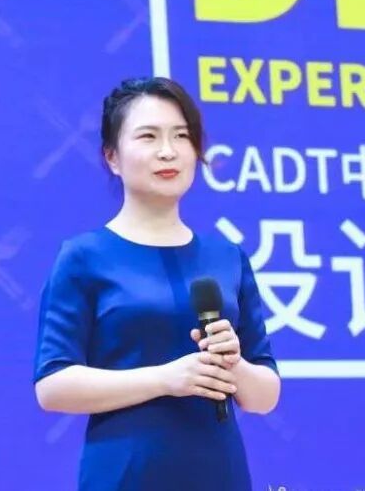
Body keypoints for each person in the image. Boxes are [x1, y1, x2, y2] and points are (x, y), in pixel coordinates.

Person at [33, 77, 280, 490]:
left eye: (181, 136)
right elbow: (53, 386)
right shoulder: (85, 256)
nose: (168, 151)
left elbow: (265, 397)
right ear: (112, 157)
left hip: (221, 472)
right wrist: (166, 379)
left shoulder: (227, 258)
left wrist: (233, 365)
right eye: (148, 136)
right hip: (125, 472)